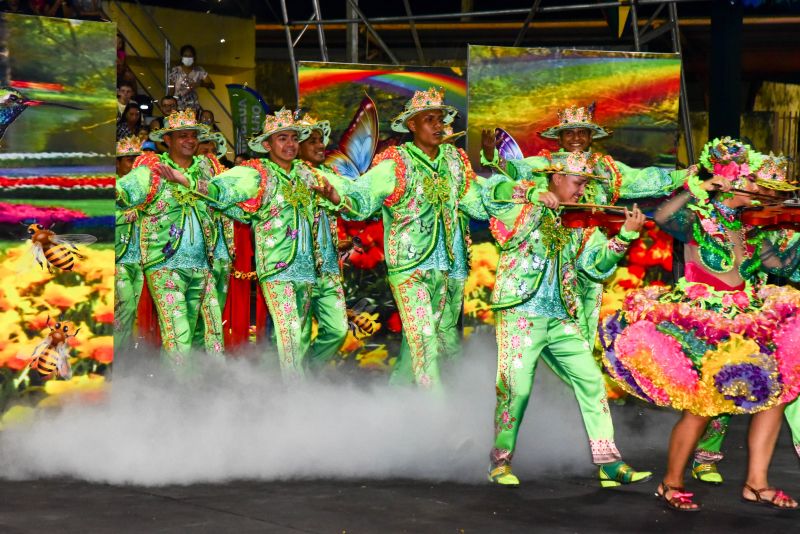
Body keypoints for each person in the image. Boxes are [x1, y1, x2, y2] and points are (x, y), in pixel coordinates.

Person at [599, 138, 800, 511]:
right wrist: (697, 187)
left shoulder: (750, 228)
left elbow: (780, 266)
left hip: (748, 319)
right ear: (732, 180)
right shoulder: (700, 218)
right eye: (756, 184)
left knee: (774, 397)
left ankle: (757, 484)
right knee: (702, 407)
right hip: (706, 322)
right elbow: (662, 217)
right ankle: (670, 483)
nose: (763, 192)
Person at [481, 150, 651, 488]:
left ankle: (609, 462)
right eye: (578, 183)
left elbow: (594, 267)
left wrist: (625, 237)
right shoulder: (523, 205)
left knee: (591, 380)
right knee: (517, 389)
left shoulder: (580, 220)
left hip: (561, 316)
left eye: (587, 184)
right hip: (520, 312)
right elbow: (492, 192)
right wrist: (531, 194)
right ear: (556, 178)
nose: (582, 191)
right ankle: (500, 461)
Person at [313, 88, 487, 388]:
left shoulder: (454, 162)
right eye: (428, 119)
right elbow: (363, 196)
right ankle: (441, 425)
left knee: (435, 344)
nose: (438, 125)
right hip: (410, 271)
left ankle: (394, 407)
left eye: (441, 119)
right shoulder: (397, 163)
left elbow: (477, 201)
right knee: (424, 344)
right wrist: (334, 192)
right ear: (412, 125)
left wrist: (522, 195)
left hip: (446, 269)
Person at [691, 153, 800, 485]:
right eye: (763, 190)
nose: (769, 199)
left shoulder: (769, 228)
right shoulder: (720, 221)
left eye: (776, 194)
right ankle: (705, 456)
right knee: (724, 390)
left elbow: (781, 267)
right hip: (721, 316)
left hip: (761, 315)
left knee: (791, 383)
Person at [115, 110, 227, 364]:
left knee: (206, 332)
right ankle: (178, 395)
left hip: (202, 264)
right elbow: (124, 192)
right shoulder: (151, 168)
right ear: (168, 140)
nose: (189, 141)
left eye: (193, 136)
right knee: (178, 334)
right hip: (165, 266)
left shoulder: (207, 170)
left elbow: (226, 200)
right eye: (182, 136)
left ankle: (200, 386)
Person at [296, 114, 348, 372]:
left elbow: (353, 203)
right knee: (294, 338)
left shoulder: (331, 176)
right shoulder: (287, 177)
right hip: (296, 271)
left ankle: (310, 374)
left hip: (328, 271)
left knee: (339, 330)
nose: (320, 145)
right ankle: (284, 389)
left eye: (321, 140)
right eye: (312, 141)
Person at [114, 136, 144, 355]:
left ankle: (128, 354)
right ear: (117, 163)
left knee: (136, 309)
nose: (133, 164)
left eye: (136, 159)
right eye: (128, 160)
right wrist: (126, 216)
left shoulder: (142, 188)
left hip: (141, 257)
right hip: (119, 256)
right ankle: (116, 353)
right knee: (125, 307)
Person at [168, 44, 214, 113]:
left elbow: (211, 85)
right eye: (185, 56)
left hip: (193, 107)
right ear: (182, 57)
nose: (188, 58)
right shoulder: (176, 70)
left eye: (190, 56)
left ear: (194, 57)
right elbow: (171, 88)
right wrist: (169, 104)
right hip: (177, 107)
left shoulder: (199, 70)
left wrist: (200, 84)